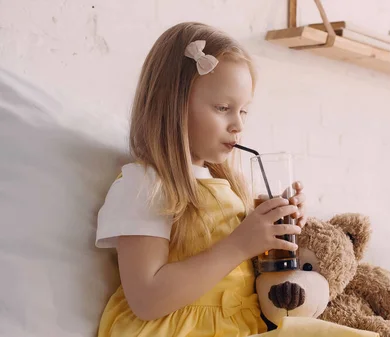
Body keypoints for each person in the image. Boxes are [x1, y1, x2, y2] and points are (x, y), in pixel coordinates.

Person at [94, 22, 307, 337]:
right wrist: (238, 245)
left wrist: (272, 232)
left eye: (244, 111)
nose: (237, 125)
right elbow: (146, 299)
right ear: (172, 104)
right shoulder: (146, 185)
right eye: (223, 108)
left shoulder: (231, 189)